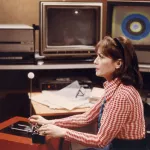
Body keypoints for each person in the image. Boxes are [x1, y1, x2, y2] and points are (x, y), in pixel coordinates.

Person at [29, 36, 146, 150]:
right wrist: (50, 122)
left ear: (118, 64)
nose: (95, 61)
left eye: (101, 57)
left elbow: (100, 141)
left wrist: (63, 132)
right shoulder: (115, 87)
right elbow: (87, 117)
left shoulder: (122, 95)